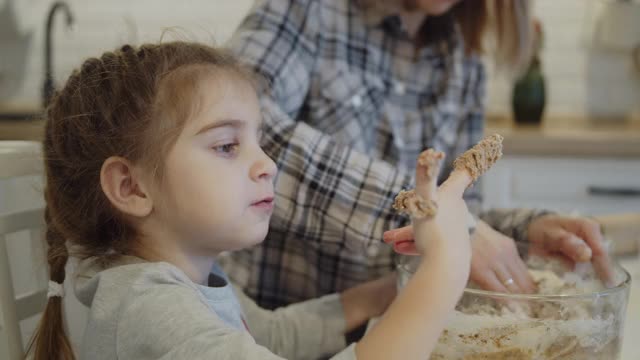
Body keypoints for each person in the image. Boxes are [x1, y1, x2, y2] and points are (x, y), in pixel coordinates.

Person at [26, 41, 484, 360]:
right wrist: (447, 265)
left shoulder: (174, 277)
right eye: (227, 146)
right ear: (132, 187)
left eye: (259, 142)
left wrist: (384, 294)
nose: (267, 163)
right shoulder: (148, 311)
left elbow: (268, 334)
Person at [221, 0, 613, 309]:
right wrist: (441, 220)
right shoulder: (308, 9)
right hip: (276, 327)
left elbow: (462, 213)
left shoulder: (463, 59)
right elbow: (238, 133)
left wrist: (523, 233)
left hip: (394, 331)